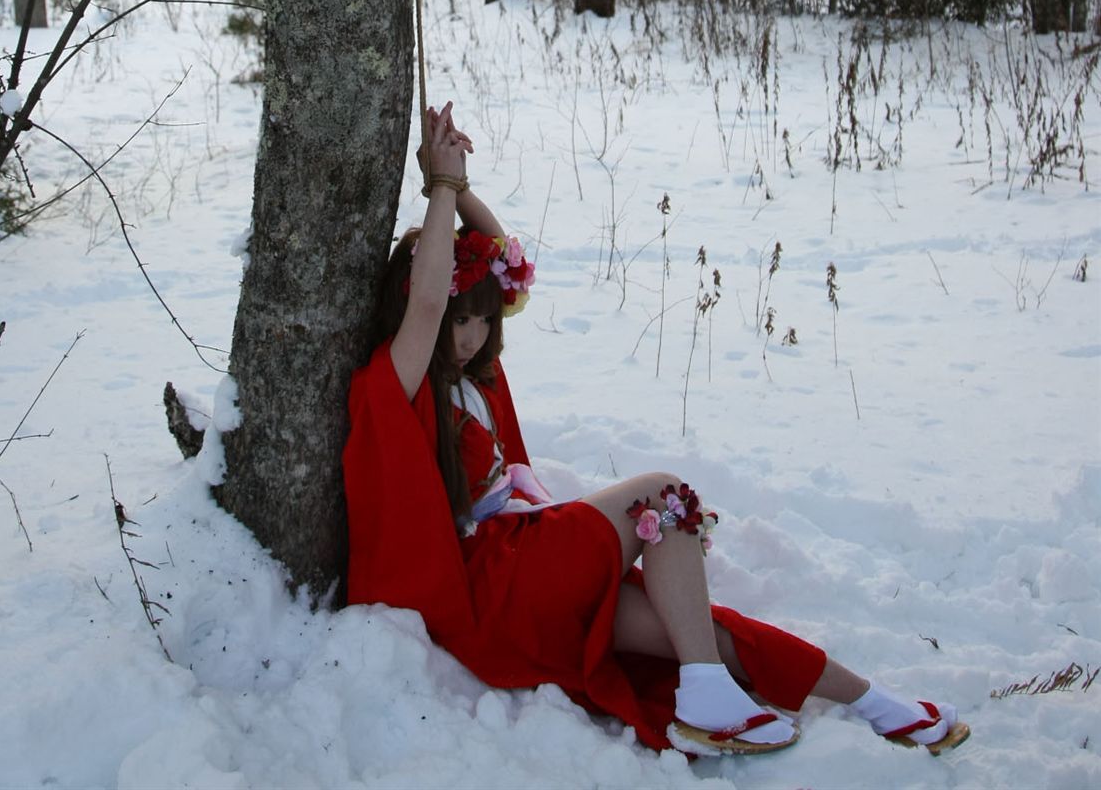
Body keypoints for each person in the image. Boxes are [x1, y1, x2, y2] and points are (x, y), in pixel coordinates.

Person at [343, 101, 970, 759]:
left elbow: (502, 263)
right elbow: (431, 298)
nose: (469, 336)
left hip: (524, 572)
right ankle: (706, 698)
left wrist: (462, 186)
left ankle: (876, 704)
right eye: (457, 320)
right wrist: (438, 187)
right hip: (487, 590)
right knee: (663, 499)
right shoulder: (400, 387)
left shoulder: (479, 376)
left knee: (691, 626)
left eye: (480, 321)